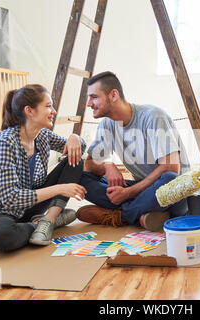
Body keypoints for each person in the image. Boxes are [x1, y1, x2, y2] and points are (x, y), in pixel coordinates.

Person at [0, 84, 87, 252]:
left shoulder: (42, 135)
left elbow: (77, 149)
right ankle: (43, 224)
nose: (54, 111)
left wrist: (75, 137)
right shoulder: (5, 142)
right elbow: (10, 199)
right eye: (48, 106)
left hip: (28, 207)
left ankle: (49, 218)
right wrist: (60, 188)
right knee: (3, 236)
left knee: (76, 160)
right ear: (30, 111)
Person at [77, 71, 191, 231]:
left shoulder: (153, 116)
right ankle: (146, 213)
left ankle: (120, 216)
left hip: (174, 192)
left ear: (113, 95)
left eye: (94, 97)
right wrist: (108, 165)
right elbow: (89, 165)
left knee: (170, 178)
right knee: (80, 176)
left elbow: (172, 169)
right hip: (143, 190)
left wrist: (128, 193)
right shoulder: (106, 125)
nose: (89, 103)